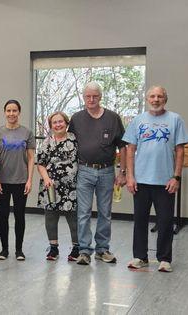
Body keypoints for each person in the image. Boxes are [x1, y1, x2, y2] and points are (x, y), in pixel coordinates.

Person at [123, 86, 188, 273]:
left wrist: (176, 177)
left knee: (166, 221)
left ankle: (164, 259)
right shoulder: (138, 120)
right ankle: (140, 257)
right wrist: (130, 176)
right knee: (140, 220)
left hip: (165, 181)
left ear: (165, 99)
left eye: (159, 96)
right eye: (152, 96)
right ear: (147, 99)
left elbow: (180, 150)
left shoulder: (175, 119)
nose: (156, 99)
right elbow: (130, 149)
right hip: (141, 180)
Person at [69, 82, 126, 265]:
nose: (91, 99)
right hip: (84, 170)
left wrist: (122, 172)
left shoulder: (113, 118)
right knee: (83, 213)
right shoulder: (76, 118)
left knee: (105, 212)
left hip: (107, 171)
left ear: (100, 97)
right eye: (88, 96)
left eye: (95, 96)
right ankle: (85, 251)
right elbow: (68, 143)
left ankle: (102, 249)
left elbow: (122, 147)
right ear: (84, 97)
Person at [0, 100, 35, 261]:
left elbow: (31, 158)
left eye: (14, 110)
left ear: (19, 112)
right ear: (4, 112)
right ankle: (4, 250)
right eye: (8, 110)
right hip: (2, 180)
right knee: (3, 215)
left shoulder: (27, 132)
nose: (11, 114)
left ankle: (19, 250)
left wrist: (29, 179)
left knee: (19, 215)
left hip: (21, 180)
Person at [37, 112, 79, 261]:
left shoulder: (75, 139)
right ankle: (53, 248)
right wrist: (46, 178)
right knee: (51, 218)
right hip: (51, 186)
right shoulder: (47, 142)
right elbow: (40, 164)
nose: (58, 125)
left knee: (73, 218)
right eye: (54, 122)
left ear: (66, 123)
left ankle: (76, 248)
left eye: (61, 122)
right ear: (51, 125)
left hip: (71, 187)